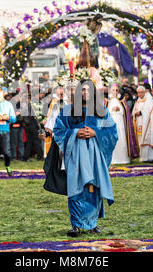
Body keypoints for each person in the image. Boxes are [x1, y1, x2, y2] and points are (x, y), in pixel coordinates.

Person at [53, 79, 118, 237]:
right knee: (76, 187)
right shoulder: (68, 110)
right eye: (82, 90)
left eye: (88, 90)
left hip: (94, 156)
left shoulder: (101, 110)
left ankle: (92, 223)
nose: (85, 93)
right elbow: (58, 130)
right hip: (75, 154)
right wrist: (74, 133)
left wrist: (96, 133)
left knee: (94, 187)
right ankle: (75, 224)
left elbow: (112, 132)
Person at [106, 83, 138, 164]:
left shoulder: (122, 101)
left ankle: (123, 158)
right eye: (113, 90)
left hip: (120, 124)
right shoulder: (106, 101)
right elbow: (104, 113)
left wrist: (119, 110)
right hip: (110, 124)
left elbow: (125, 112)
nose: (115, 92)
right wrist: (111, 110)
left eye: (116, 90)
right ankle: (113, 159)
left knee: (121, 139)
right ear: (110, 91)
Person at [132, 86, 153, 162]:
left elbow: (151, 111)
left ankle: (151, 158)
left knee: (149, 140)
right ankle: (143, 157)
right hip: (140, 123)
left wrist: (141, 112)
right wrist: (135, 114)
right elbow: (134, 111)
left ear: (145, 92)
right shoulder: (138, 101)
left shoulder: (149, 100)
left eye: (141, 92)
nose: (139, 94)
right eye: (138, 93)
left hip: (149, 124)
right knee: (141, 140)